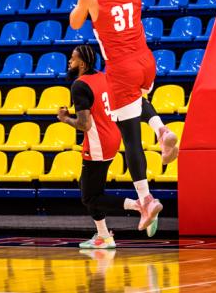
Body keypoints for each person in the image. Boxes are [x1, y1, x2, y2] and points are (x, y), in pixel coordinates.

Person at [69, 0, 178, 233]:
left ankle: (146, 200)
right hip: (147, 61)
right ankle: (161, 130)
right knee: (138, 107)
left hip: (121, 68)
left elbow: (75, 24)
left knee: (130, 137)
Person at [57, 45, 155, 248]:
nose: (69, 62)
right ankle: (103, 235)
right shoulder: (104, 77)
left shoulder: (79, 85)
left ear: (82, 64)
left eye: (72, 59)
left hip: (98, 143)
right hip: (112, 136)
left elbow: (85, 124)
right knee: (90, 189)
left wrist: (65, 119)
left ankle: (141, 206)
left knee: (90, 197)